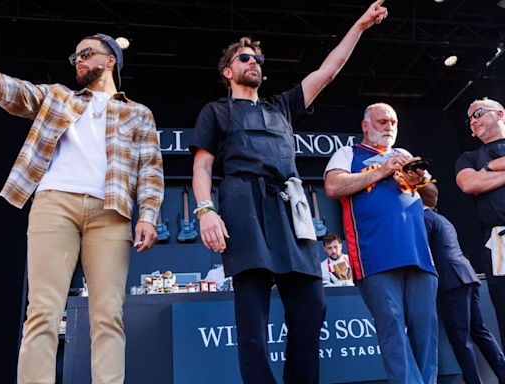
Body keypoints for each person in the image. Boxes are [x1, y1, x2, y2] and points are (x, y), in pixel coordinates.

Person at [189, 1, 388, 382]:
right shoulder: (215, 112)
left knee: (312, 307)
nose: (255, 62)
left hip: (289, 207)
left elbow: (328, 71)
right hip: (243, 204)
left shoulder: (281, 106)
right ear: (228, 70)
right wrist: (205, 210)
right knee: (252, 319)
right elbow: (201, 166)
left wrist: (360, 25)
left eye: (258, 59)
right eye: (245, 57)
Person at [0, 33, 164, 383]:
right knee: (42, 311)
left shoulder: (138, 113)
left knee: (108, 315)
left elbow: (150, 169)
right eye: (75, 58)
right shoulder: (57, 96)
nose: (79, 61)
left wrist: (148, 216)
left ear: (111, 59)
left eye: (86, 54)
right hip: (54, 203)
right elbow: (13, 91)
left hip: (111, 213)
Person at [323, 102, 438, 383]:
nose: (389, 127)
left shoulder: (405, 155)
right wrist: (381, 171)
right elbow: (333, 186)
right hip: (375, 257)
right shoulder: (348, 153)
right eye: (382, 122)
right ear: (365, 126)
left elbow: (433, 198)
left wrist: (419, 180)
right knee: (393, 333)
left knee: (427, 333)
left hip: (419, 255)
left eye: (393, 122)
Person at [419, 182, 505, 384]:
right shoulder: (442, 218)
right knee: (479, 330)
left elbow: (423, 252)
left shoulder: (423, 219)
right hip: (467, 276)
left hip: (451, 282)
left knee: (460, 338)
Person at [455, 97, 505, 349]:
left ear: (499, 114)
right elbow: (469, 183)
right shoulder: (470, 156)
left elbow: (479, 180)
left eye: (478, 113)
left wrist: (491, 169)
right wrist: (489, 166)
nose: (473, 121)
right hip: (499, 241)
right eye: (470, 119)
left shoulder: (482, 164)